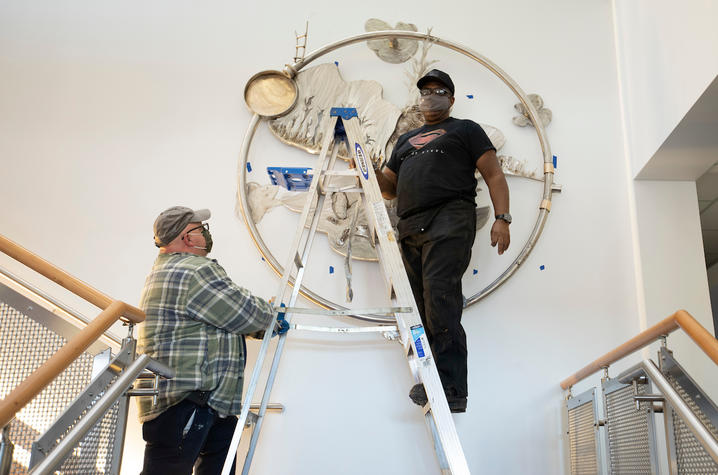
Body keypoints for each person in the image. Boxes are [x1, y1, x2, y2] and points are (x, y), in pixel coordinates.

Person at [375, 69, 511, 413]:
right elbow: (388, 188)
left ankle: (451, 390)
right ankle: (431, 379)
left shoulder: (465, 130)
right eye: (425, 91)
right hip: (410, 225)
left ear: (451, 98)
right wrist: (365, 167)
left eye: (438, 91)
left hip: (450, 218)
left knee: (440, 297)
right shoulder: (405, 141)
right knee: (419, 307)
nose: (430, 96)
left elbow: (494, 174)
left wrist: (502, 218)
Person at [138, 206, 279, 474]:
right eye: (200, 229)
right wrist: (269, 316)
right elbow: (244, 312)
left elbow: (227, 316)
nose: (205, 233)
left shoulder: (170, 269)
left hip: (204, 402)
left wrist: (261, 322)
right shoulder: (193, 271)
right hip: (190, 401)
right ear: (187, 237)